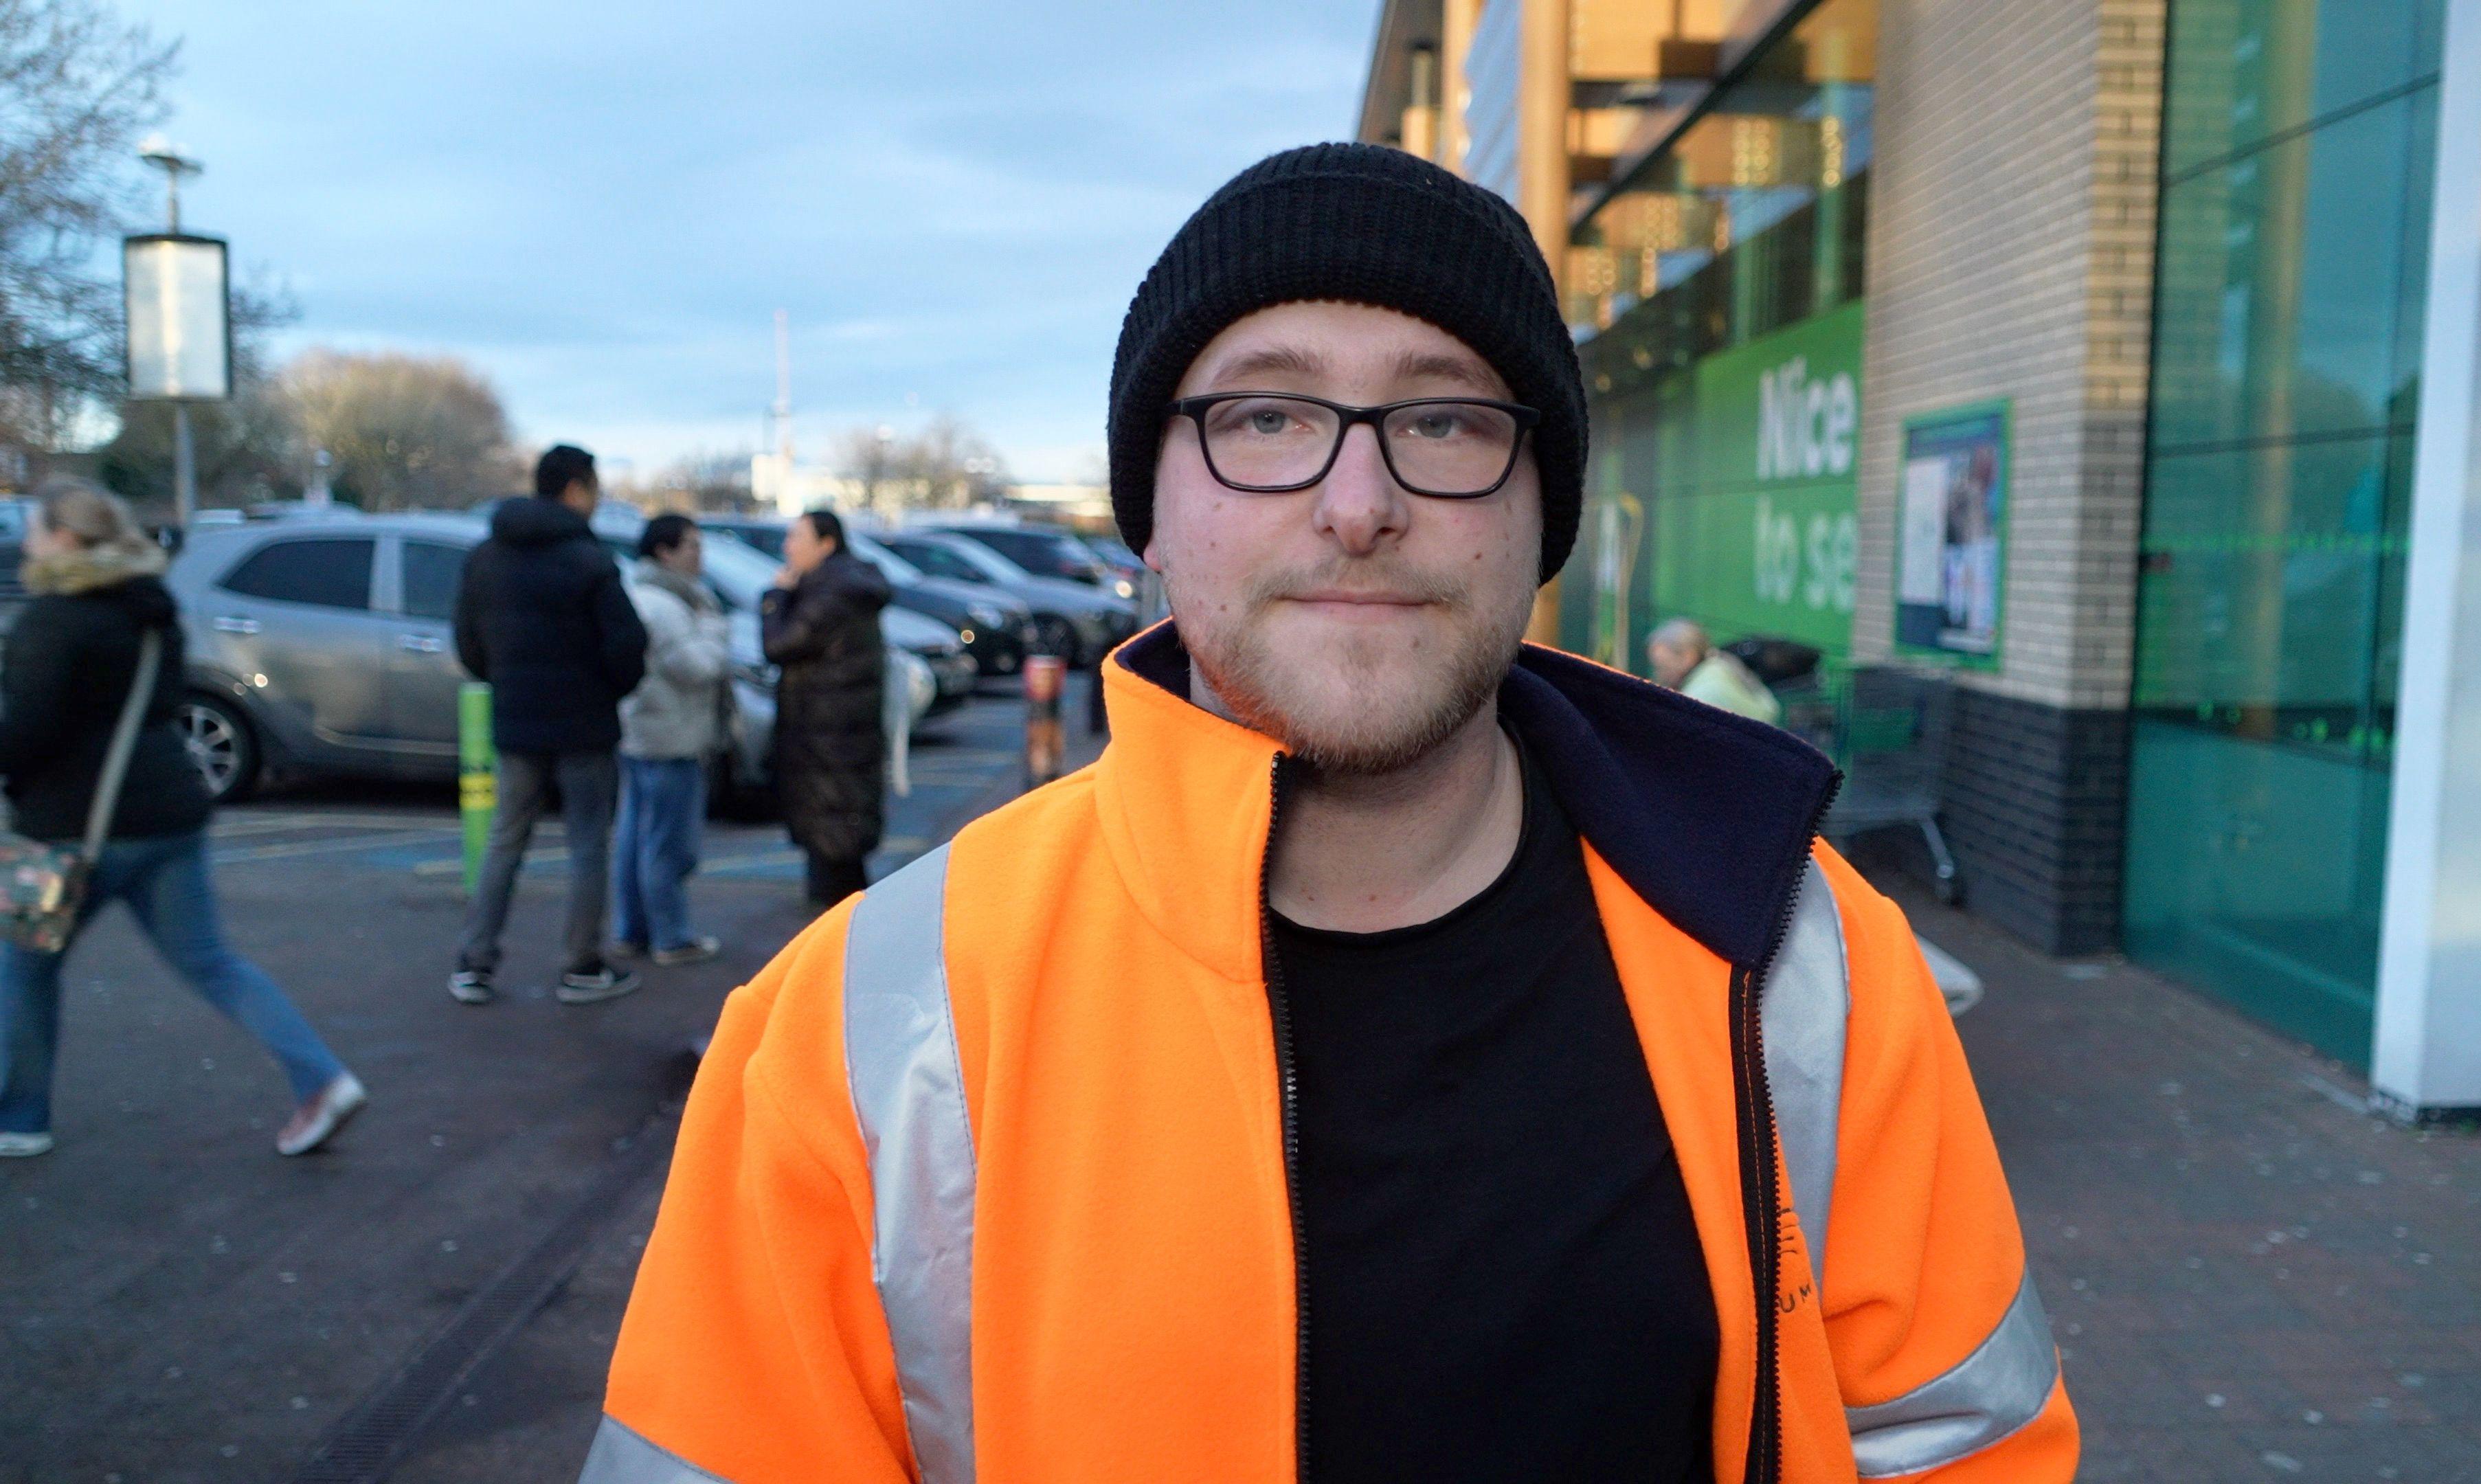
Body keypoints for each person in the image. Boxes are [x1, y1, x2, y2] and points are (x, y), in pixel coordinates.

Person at [586, 145, 2075, 1483]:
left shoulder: (1802, 964)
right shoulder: (871, 1031)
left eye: (1442, 420)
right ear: (1152, 515)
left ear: (1536, 512)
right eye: (1268, 414)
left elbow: (1967, 1450)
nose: (1358, 500)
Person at [0, 478, 363, 1159]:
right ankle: (321, 1077)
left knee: (24, 968)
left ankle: (20, 1118)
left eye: (40, 529)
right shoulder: (151, 612)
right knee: (212, 963)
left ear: (68, 539)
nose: (29, 540)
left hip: (74, 828)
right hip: (171, 811)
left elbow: (29, 732)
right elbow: (160, 702)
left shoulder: (54, 619)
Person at [450, 445, 648, 1007]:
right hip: (584, 724)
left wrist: (506, 680)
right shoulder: (589, 559)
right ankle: (580, 964)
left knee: (505, 840)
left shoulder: (486, 556)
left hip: (516, 721)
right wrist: (609, 689)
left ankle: (475, 962)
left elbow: (468, 643)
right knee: (587, 844)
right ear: (576, 489)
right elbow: (628, 644)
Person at [759, 510, 891, 910]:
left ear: (826, 544)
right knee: (842, 857)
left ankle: (837, 957)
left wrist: (774, 598)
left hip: (826, 745)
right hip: (836, 741)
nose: (787, 547)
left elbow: (778, 645)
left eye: (797, 538)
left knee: (833, 860)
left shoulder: (830, 593)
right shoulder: (842, 585)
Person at [612, 515, 728, 967]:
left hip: (642, 732)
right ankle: (671, 937)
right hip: (670, 736)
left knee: (635, 837)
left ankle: (634, 931)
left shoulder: (642, 595)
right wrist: (717, 629)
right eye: (692, 547)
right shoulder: (667, 605)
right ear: (665, 552)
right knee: (668, 843)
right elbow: (699, 666)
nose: (700, 557)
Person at [1648, 616, 1783, 726]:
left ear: (1688, 657)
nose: (1659, 675)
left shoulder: (1702, 694)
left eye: (1663, 667)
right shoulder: (1721, 665)